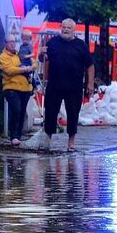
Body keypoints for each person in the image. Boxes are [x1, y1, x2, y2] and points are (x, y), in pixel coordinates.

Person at [42, 18, 94, 152]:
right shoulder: (52, 42)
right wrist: (44, 76)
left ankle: (71, 143)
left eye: (68, 28)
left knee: (73, 114)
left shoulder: (81, 45)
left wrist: (90, 83)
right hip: (55, 84)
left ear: (74, 30)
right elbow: (45, 60)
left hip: (74, 86)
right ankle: (47, 141)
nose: (65, 30)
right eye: (63, 27)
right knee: (50, 112)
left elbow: (90, 65)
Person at [0, 35, 35, 146]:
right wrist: (23, 69)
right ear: (5, 43)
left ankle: (18, 136)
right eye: (10, 42)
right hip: (11, 88)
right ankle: (13, 136)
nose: (12, 44)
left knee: (22, 112)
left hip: (25, 88)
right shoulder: (3, 57)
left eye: (14, 42)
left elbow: (34, 63)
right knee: (16, 110)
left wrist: (31, 66)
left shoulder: (20, 54)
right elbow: (9, 70)